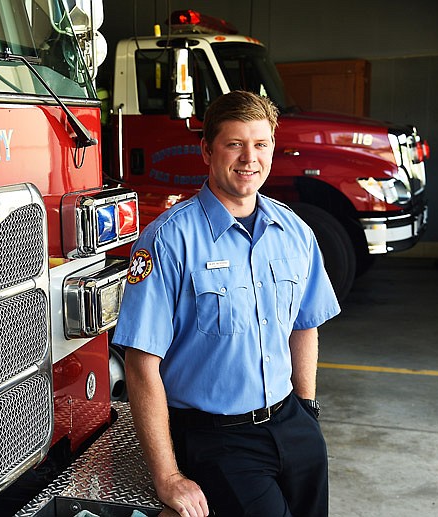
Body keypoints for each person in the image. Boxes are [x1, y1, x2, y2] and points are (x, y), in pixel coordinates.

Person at [112, 90, 341, 517]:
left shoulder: (295, 232)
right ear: (206, 151)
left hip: (292, 422)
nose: (249, 158)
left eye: (260, 144)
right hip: (218, 439)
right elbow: (141, 362)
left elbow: (305, 324)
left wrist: (307, 411)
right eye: (234, 144)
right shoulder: (168, 240)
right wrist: (168, 478)